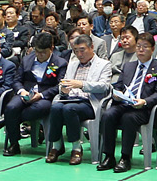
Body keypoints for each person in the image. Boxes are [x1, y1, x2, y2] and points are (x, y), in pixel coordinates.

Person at [96, 30, 157, 173]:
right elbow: (118, 85)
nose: (141, 50)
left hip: (144, 108)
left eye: (145, 46)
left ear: (152, 49)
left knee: (128, 118)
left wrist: (144, 101)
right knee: (108, 115)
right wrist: (117, 94)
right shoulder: (129, 66)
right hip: (124, 103)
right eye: (139, 46)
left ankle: (125, 157)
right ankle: (109, 156)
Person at [43, 32, 112, 164]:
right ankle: (56, 145)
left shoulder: (104, 64)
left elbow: (104, 86)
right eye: (76, 51)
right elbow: (64, 83)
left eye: (82, 50)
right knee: (55, 107)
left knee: (70, 109)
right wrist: (63, 89)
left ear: (91, 47)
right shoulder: (73, 63)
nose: (79, 54)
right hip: (70, 98)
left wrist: (81, 85)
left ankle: (76, 148)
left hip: (90, 102)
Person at [0, 32, 63, 157]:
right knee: (11, 107)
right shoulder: (27, 59)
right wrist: (22, 91)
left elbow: (59, 86)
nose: (39, 55)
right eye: (37, 51)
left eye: (43, 52)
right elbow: (16, 80)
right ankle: (14, 144)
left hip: (44, 97)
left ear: (51, 49)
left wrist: (42, 95)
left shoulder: (60, 63)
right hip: (26, 92)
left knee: (36, 108)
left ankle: (6, 120)